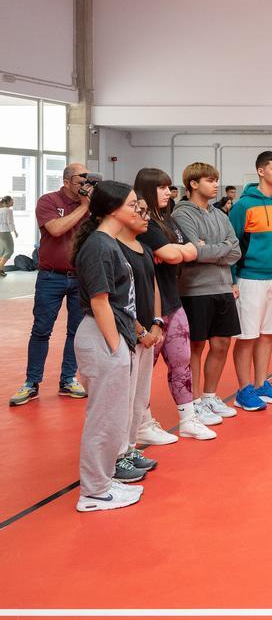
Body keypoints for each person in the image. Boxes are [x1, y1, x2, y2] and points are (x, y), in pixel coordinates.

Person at [71, 180, 146, 512]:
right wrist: (116, 348)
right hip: (103, 336)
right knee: (104, 418)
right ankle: (93, 492)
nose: (136, 210)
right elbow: (100, 302)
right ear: (113, 208)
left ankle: (102, 481)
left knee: (114, 417)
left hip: (112, 335)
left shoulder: (109, 243)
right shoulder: (100, 246)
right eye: (131, 204)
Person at [134, 168, 215, 441]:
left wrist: (179, 251)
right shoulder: (145, 224)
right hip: (150, 305)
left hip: (172, 299)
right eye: (162, 188)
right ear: (146, 190)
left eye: (169, 187)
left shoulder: (168, 219)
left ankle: (188, 418)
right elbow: (174, 253)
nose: (168, 192)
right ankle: (142, 424)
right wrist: (179, 251)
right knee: (144, 369)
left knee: (181, 361)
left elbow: (191, 250)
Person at [11, 164, 92, 406]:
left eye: (88, 181)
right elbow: (56, 229)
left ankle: (68, 379)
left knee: (76, 332)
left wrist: (91, 205)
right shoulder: (48, 201)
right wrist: (85, 207)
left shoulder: (91, 205)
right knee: (41, 330)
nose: (85, 185)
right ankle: (31, 382)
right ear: (67, 181)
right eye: (81, 180)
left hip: (81, 278)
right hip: (51, 277)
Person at [173, 163, 241, 423]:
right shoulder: (182, 214)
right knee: (196, 346)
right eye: (210, 180)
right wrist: (220, 249)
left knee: (222, 343)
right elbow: (194, 253)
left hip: (222, 287)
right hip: (195, 290)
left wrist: (212, 248)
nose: (216, 185)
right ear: (193, 184)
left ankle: (210, 396)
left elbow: (236, 251)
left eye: (216, 180)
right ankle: (194, 402)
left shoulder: (220, 214)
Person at [228, 151, 272, 409]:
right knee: (247, 336)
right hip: (249, 279)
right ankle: (244, 390)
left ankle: (261, 383)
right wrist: (231, 279)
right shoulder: (243, 206)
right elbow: (232, 246)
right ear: (260, 171)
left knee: (268, 334)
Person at [116, 192, 172, 458]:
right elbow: (117, 300)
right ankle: (119, 453)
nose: (145, 216)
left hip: (149, 332)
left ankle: (130, 447)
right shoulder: (115, 249)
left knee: (139, 396)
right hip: (129, 334)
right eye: (139, 211)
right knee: (123, 399)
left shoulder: (145, 249)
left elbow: (153, 288)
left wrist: (157, 324)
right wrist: (140, 330)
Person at [0, 195, 15, 276]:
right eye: (12, 200)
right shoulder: (8, 211)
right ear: (8, 202)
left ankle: (1, 270)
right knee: (9, 250)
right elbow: (10, 223)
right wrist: (14, 231)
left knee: (2, 251)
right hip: (5, 232)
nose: (13, 202)